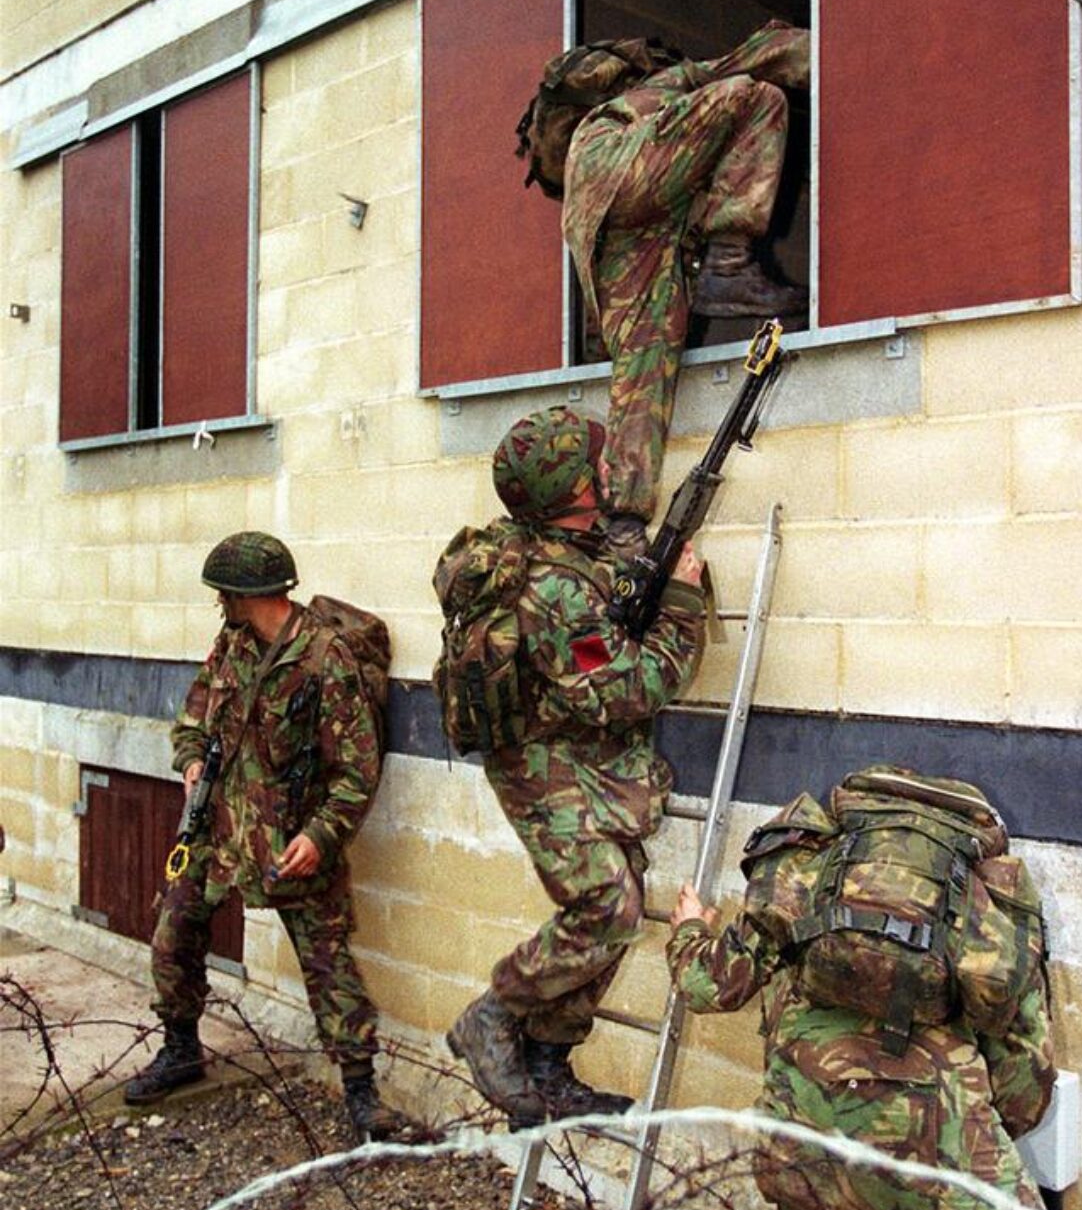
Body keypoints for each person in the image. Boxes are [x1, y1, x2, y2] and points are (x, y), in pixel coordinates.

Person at [666, 771, 1064, 1210]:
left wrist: (690, 930)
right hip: (939, 1160)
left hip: (811, 1136)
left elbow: (708, 985)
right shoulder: (993, 907)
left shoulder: (807, 863)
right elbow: (1026, 1086)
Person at [444, 407, 706, 1128]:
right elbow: (629, 689)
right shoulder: (554, 590)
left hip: (572, 753)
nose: (606, 468)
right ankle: (493, 1016)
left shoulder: (558, 548)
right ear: (571, 487)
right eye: (592, 463)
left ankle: (552, 1063)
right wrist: (682, 603)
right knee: (608, 907)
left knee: (623, 893)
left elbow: (601, 591)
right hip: (541, 760)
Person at [124, 532, 400, 1142]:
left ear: (250, 594)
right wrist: (193, 759)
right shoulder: (232, 644)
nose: (220, 601)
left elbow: (358, 770)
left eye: (226, 592)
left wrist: (323, 837)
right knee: (173, 931)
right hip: (221, 828)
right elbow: (194, 718)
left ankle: (362, 1093)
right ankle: (180, 1048)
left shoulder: (326, 659)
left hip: (290, 841)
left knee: (329, 964)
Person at [517, 20, 810, 546]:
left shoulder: (665, 139)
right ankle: (727, 263)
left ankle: (624, 523)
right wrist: (827, 51)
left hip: (607, 217)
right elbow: (749, 63)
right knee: (758, 96)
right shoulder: (667, 85)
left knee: (642, 366)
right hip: (616, 165)